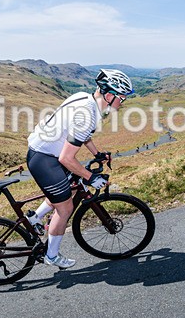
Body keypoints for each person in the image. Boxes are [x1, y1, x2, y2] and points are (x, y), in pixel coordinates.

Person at [26, 68, 134, 268]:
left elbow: (80, 133)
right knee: (65, 207)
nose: (123, 102)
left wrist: (96, 153)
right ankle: (51, 255)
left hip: (42, 151)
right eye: (122, 98)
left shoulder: (85, 99)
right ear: (109, 95)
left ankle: (35, 217)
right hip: (45, 159)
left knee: (72, 186)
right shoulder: (88, 115)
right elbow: (66, 158)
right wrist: (91, 177)